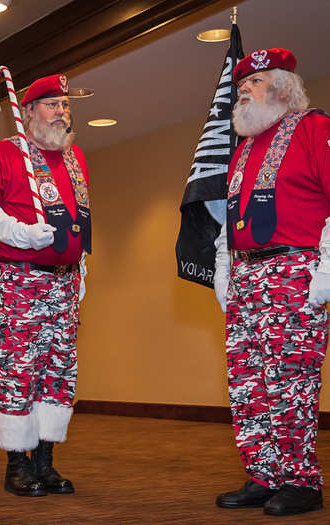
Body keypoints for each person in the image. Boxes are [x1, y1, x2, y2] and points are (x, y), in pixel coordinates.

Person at [213, 48, 330, 516]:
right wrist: (225, 269)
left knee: (289, 380)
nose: (243, 89)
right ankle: (264, 473)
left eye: (254, 82)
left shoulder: (315, 129)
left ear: (282, 87)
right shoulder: (245, 146)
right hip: (247, 274)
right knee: (248, 381)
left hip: (293, 272)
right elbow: (231, 219)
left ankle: (302, 480)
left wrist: (326, 270)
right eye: (241, 84)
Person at [0, 74, 90, 496]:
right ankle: (16, 464)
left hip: (64, 284)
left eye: (65, 105)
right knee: (20, 369)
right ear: (30, 111)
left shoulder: (74, 158)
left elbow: (79, 220)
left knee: (57, 371)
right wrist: (22, 233)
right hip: (22, 280)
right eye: (53, 104)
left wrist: (80, 268)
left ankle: (45, 462)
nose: (62, 112)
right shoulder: (5, 153)